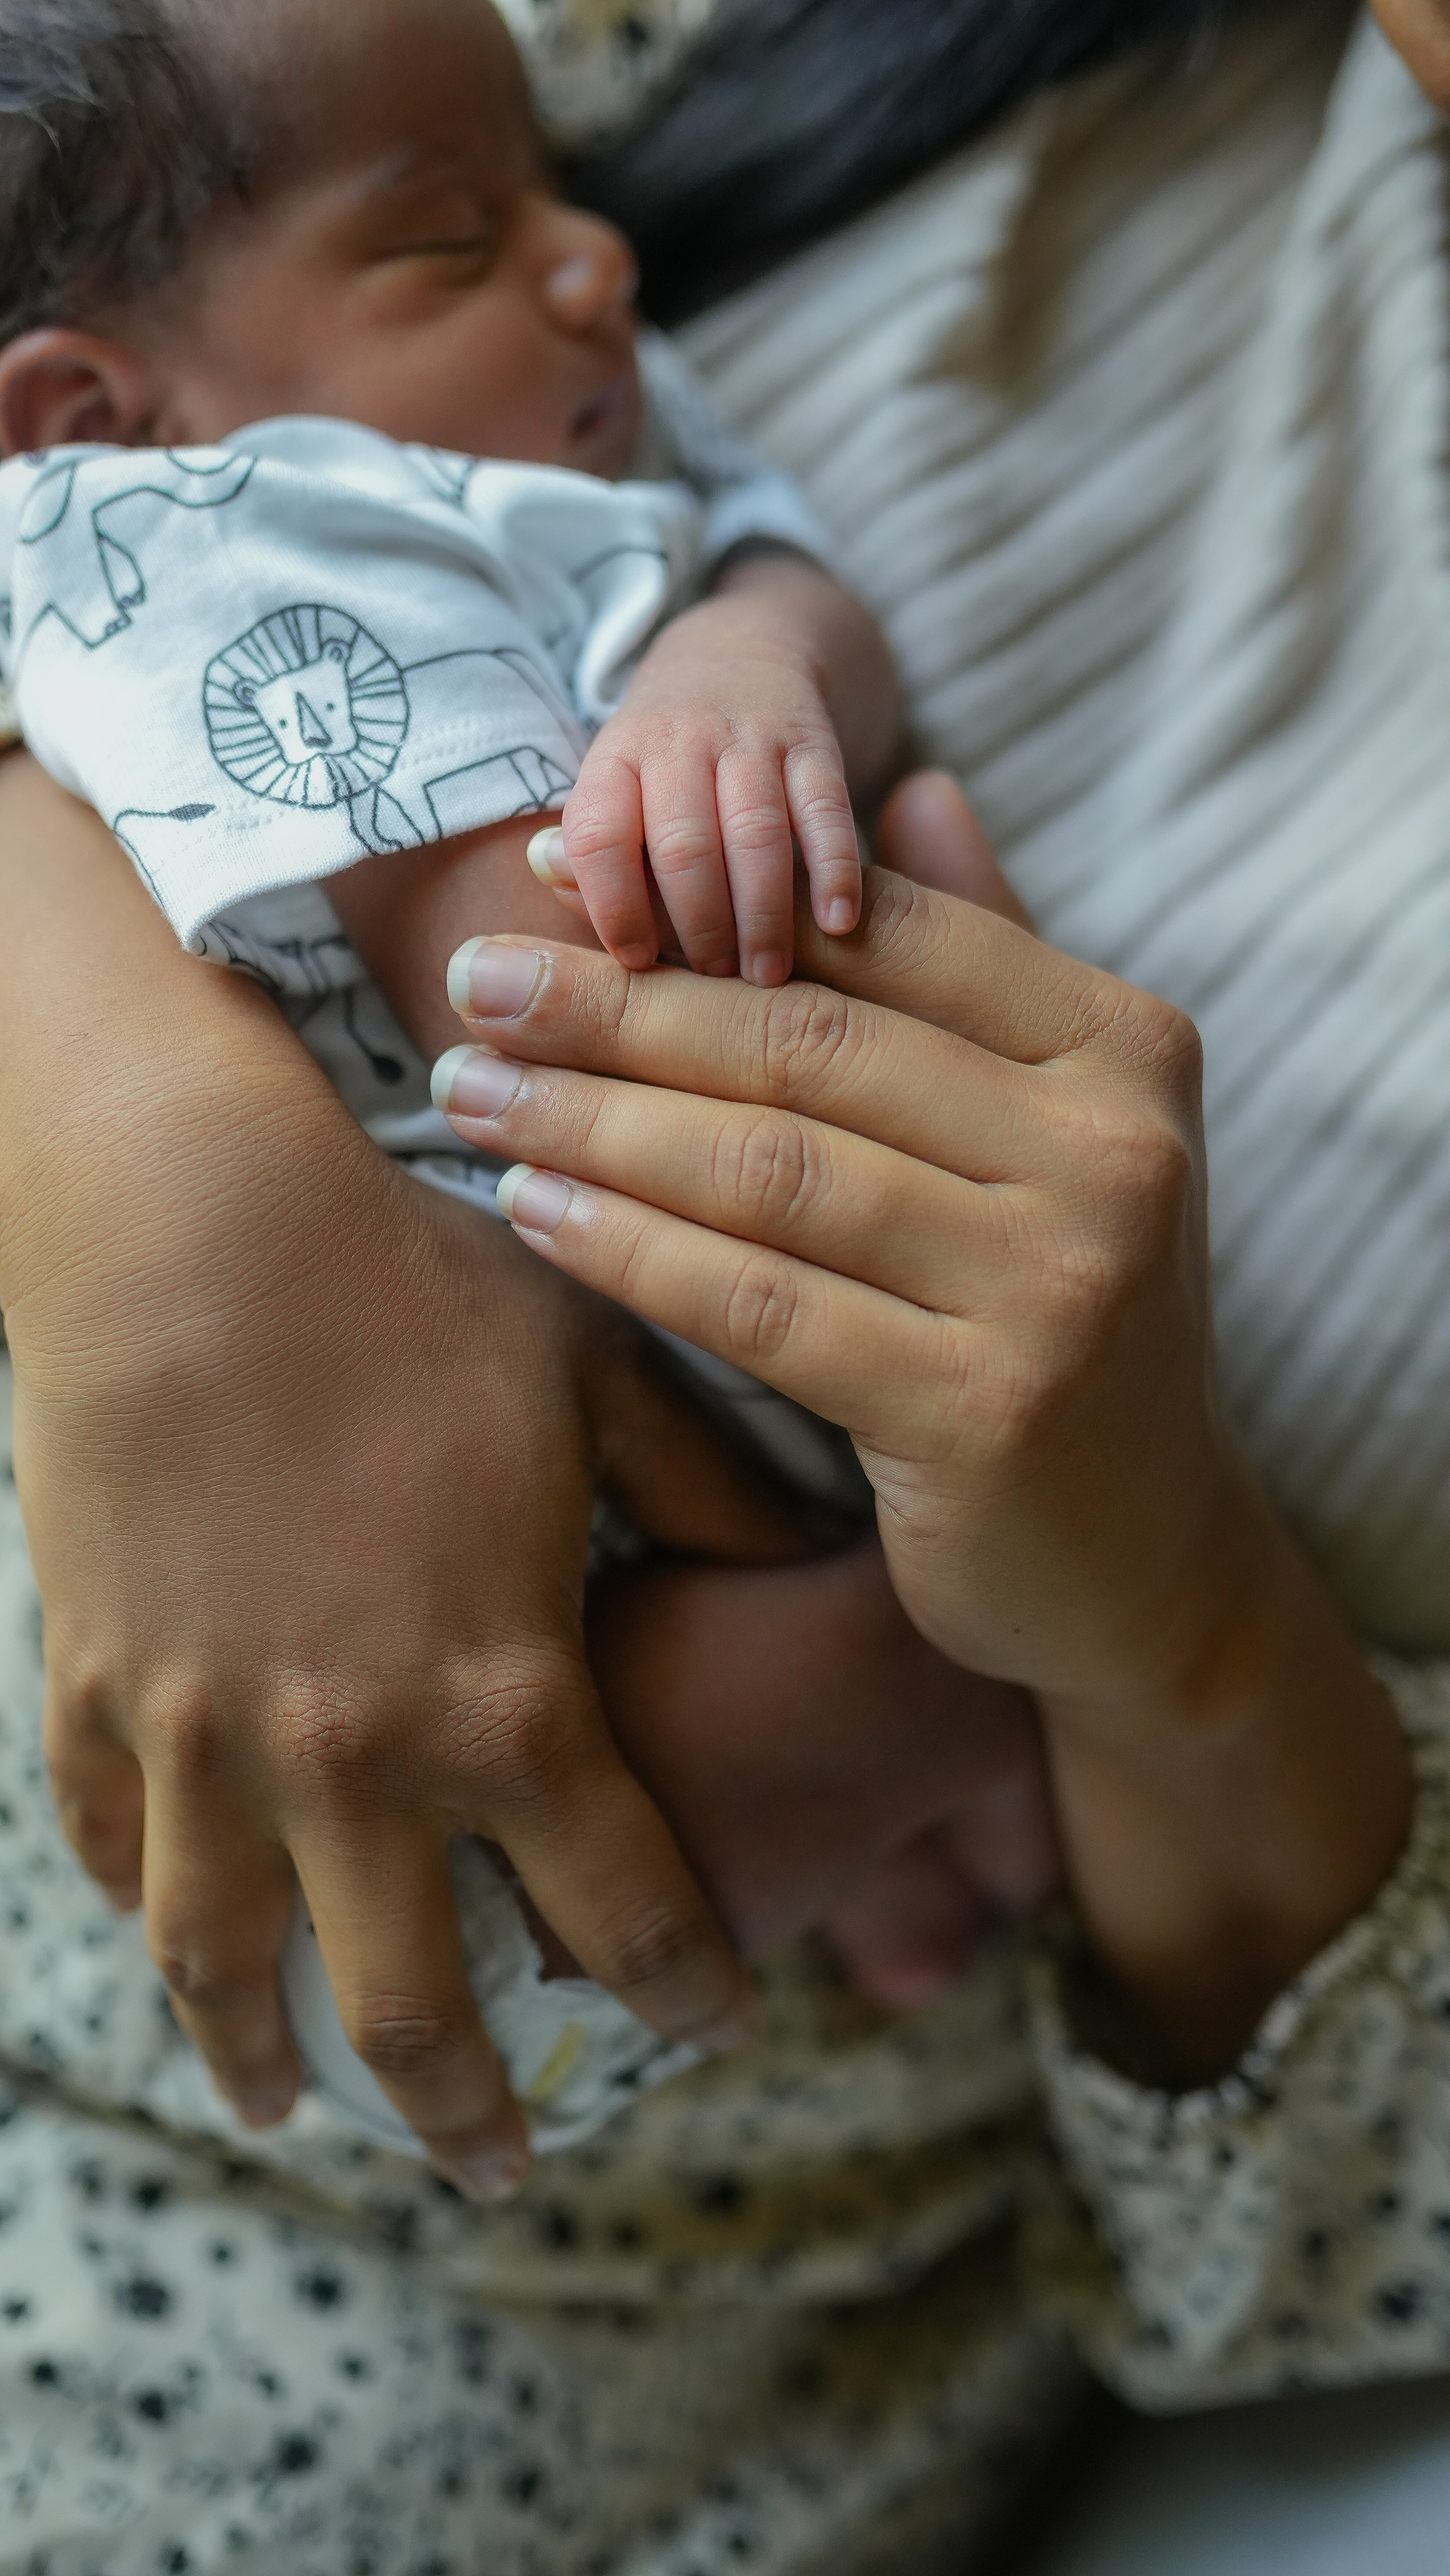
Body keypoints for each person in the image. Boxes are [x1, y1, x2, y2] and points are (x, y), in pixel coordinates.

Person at [3, 0, 1450, 2569]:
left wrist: (1165, 1628)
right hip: (211, 1671)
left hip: (520, 2205)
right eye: (479, 232)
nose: (598, 273)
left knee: (478, 1909)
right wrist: (152, 1170)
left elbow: (753, 605)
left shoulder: (538, 424)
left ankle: (926, 1711)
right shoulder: (251, 377)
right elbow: (515, 945)